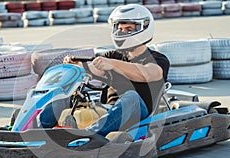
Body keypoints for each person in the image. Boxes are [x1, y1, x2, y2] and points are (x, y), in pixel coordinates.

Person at [63, 4, 170, 136]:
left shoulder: (157, 59)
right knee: (64, 96)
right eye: (120, 29)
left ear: (144, 28)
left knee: (131, 97)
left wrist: (112, 64)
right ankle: (39, 132)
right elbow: (93, 69)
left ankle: (88, 136)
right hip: (109, 111)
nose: (122, 33)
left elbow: (148, 74)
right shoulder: (112, 55)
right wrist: (75, 66)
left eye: (128, 29)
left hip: (138, 113)